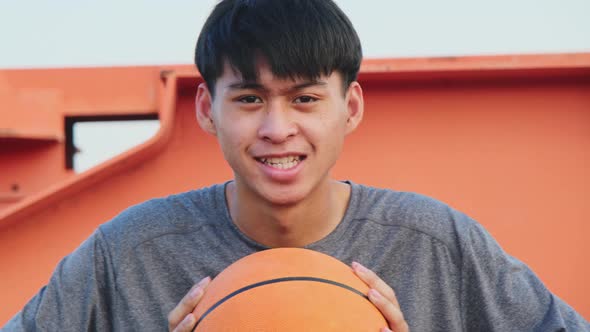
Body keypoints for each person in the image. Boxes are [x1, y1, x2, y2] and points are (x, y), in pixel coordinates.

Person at [3, 0, 589, 331]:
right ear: (208, 109)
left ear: (350, 107)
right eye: (250, 99)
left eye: (305, 99)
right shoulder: (129, 254)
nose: (277, 128)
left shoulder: (438, 245)